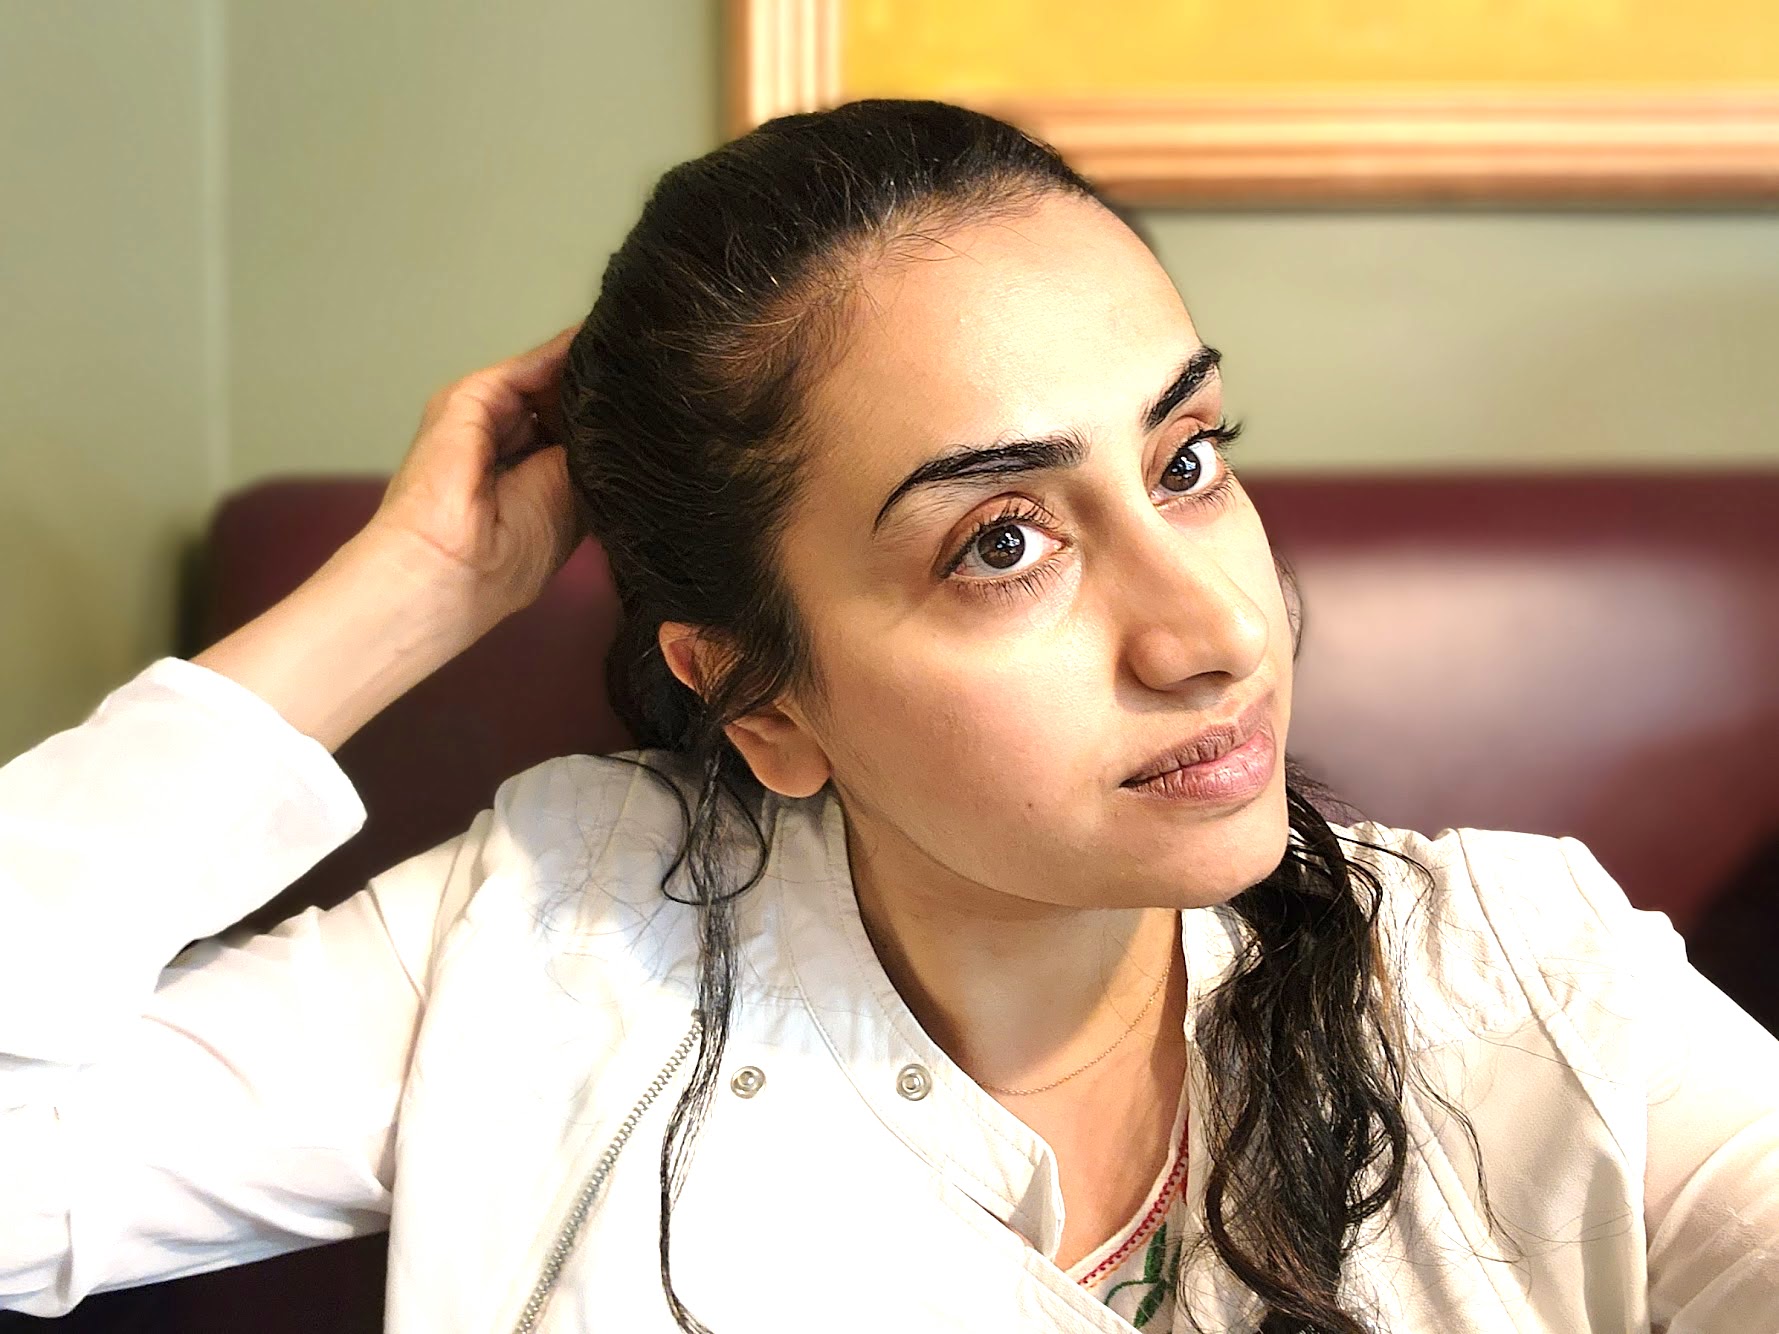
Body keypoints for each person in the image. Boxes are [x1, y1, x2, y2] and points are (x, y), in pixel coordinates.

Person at [2, 99, 1775, 1334]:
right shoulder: (543, 951)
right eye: (1003, 541)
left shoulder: (1522, 983)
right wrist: (411, 588)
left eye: (1189, 459)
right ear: (761, 700)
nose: (1219, 632)